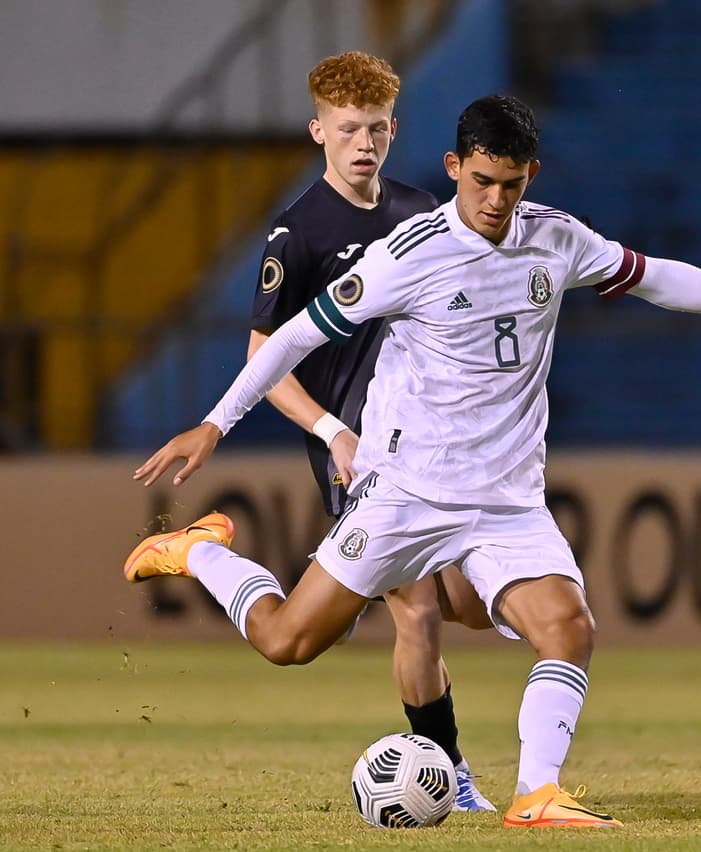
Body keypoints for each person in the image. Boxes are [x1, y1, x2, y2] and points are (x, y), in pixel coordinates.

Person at [124, 93, 701, 829]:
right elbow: (293, 337)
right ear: (455, 167)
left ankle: (537, 794)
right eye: (481, 181)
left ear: (531, 176)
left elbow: (660, 279)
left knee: (568, 627)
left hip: (507, 502)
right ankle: (200, 553)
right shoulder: (408, 256)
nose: (495, 200)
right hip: (407, 491)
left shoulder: (556, 238)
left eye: (511, 185)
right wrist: (214, 425)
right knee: (288, 642)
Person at [244, 51, 493, 811]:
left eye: (377, 129)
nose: (364, 144)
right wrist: (331, 432)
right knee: (418, 611)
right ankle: (452, 776)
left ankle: (239, 566)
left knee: (474, 607)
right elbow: (262, 359)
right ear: (319, 130)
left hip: (437, 445)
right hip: (360, 451)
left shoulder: (422, 214)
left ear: (394, 130)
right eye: (348, 129)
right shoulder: (298, 233)